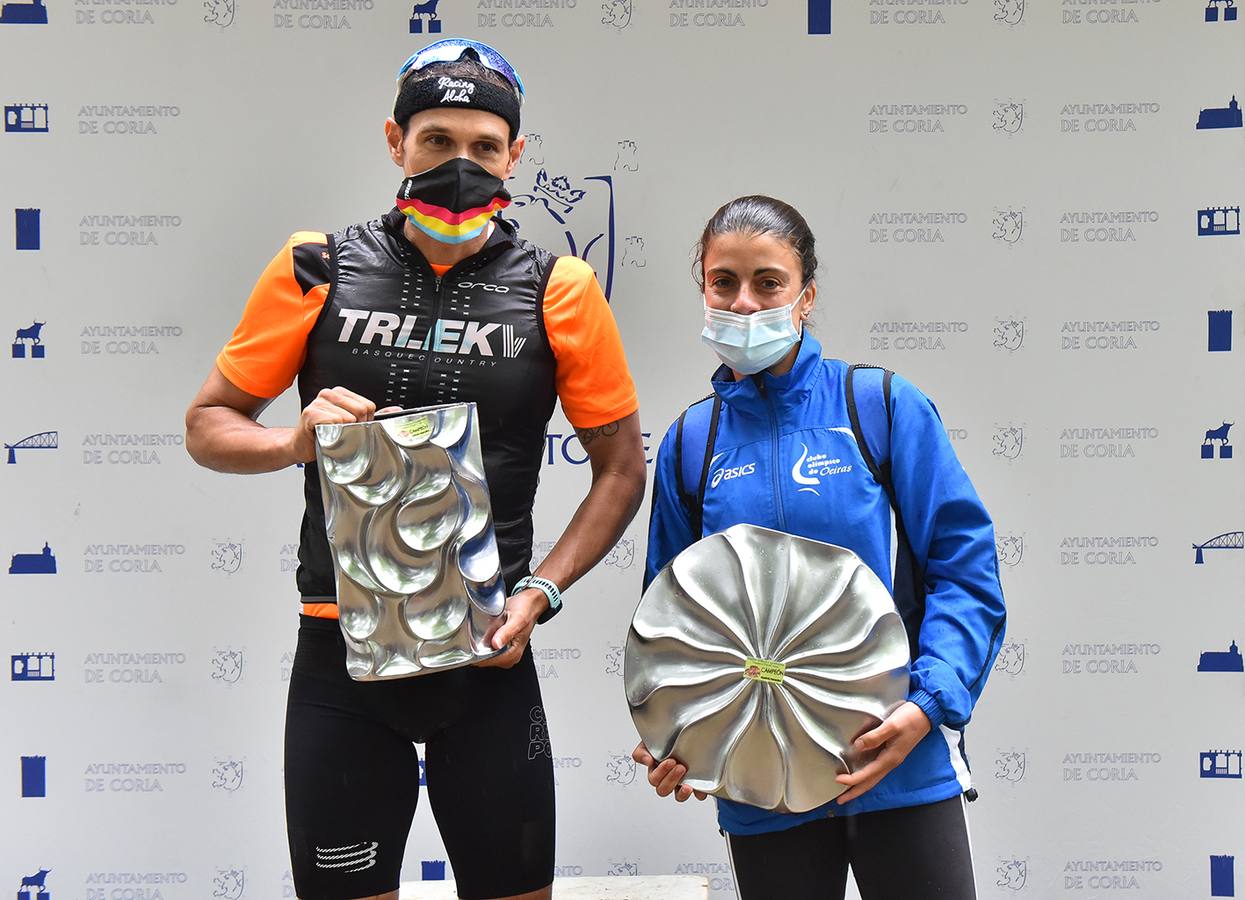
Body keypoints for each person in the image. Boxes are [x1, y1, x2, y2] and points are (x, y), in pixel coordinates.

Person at [185, 39, 647, 900]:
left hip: (488, 656)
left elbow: (621, 469)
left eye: (483, 146)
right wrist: (293, 443)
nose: (459, 164)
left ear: (515, 154)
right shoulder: (316, 264)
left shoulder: (561, 287)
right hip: (339, 653)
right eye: (436, 140)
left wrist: (539, 593)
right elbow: (208, 425)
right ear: (395, 140)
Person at [634, 196, 1006, 900]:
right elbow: (674, 625)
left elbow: (963, 570)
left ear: (805, 296)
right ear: (703, 290)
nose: (744, 303)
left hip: (898, 764)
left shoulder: (881, 405)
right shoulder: (689, 443)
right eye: (723, 282)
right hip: (763, 791)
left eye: (768, 282)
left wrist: (925, 705)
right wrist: (676, 734)